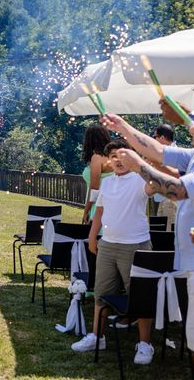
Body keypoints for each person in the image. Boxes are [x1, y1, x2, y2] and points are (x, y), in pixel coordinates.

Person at [102, 102, 194, 379]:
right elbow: (158, 151)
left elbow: (176, 190)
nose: (192, 129)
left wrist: (138, 168)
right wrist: (121, 126)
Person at [71, 139, 154, 365]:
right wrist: (92, 236)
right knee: (101, 292)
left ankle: (145, 345)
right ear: (109, 160)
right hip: (107, 244)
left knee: (141, 296)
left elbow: (155, 185)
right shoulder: (106, 184)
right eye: (114, 156)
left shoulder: (140, 180)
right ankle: (97, 337)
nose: (118, 160)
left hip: (136, 245)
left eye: (122, 155)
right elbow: (99, 212)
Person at [80, 124, 113, 225]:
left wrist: (86, 210)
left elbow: (94, 188)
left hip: (97, 204)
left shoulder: (97, 157)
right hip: (110, 203)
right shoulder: (111, 156)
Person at [150, 124, 179, 228]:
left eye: (155, 137)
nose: (154, 140)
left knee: (168, 233)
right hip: (163, 198)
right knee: (161, 232)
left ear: (162, 137)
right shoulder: (167, 152)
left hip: (170, 199)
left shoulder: (172, 153)